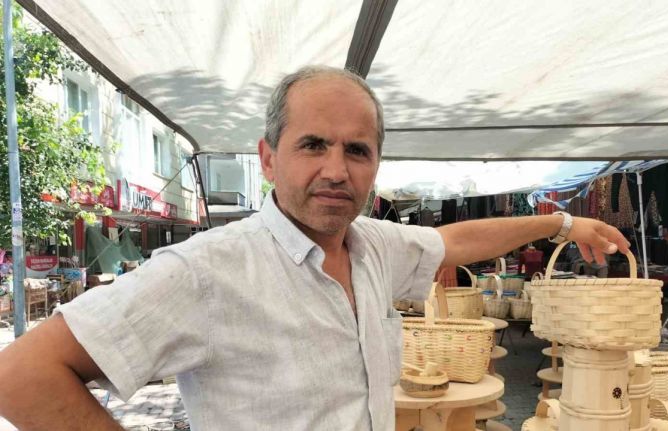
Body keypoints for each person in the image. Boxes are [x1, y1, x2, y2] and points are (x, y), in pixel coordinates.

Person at [0, 66, 629, 431]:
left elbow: (453, 242)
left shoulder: (375, 245)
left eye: (357, 150)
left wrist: (561, 224)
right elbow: (22, 375)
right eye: (313, 145)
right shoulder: (205, 270)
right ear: (269, 158)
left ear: (375, 166)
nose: (336, 169)